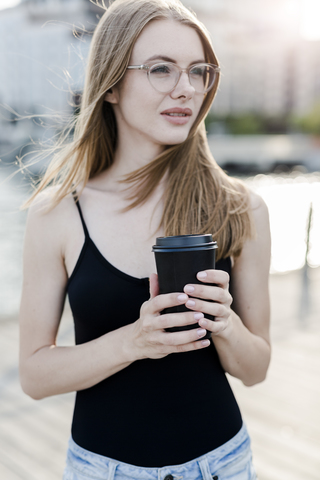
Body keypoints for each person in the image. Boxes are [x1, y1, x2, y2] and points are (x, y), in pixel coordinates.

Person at [19, 0, 271, 478]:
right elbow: (33, 376)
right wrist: (135, 341)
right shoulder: (56, 214)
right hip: (100, 469)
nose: (186, 88)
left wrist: (225, 323)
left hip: (221, 465)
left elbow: (256, 369)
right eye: (161, 69)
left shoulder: (240, 208)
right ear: (111, 84)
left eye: (199, 72)